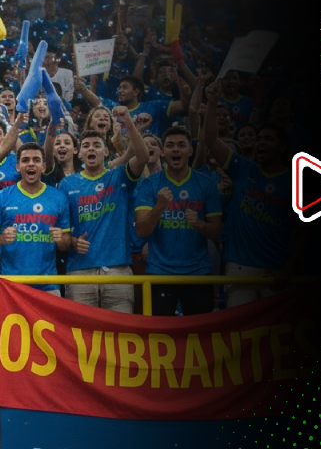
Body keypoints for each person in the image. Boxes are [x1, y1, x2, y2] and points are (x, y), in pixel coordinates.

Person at [199, 96, 305, 307]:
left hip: (276, 268)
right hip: (239, 267)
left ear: (283, 147)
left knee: (275, 336)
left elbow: (305, 229)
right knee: (240, 335)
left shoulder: (296, 181)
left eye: (268, 139)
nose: (260, 143)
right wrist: (212, 102)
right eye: (259, 139)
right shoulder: (242, 168)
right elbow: (210, 139)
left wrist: (290, 267)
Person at [61, 112, 150, 312]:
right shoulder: (67, 184)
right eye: (86, 146)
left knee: (120, 334)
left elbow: (142, 156)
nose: (91, 149)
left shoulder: (119, 177)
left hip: (118, 269)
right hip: (80, 271)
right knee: (82, 335)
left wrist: (128, 122)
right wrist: (74, 242)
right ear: (79, 153)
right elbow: (61, 229)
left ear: (106, 151)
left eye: (96, 145)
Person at [133, 126, 222, 315]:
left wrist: (199, 224)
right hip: (159, 272)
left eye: (181, 145)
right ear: (163, 151)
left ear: (190, 151)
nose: (175, 149)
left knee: (199, 335)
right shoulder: (150, 184)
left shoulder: (206, 184)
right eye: (170, 145)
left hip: (198, 273)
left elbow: (216, 232)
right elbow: (141, 230)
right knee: (159, 335)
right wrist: (159, 206)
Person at [0, 143, 74, 295]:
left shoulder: (58, 197)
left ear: (43, 166)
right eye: (25, 160)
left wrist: (61, 239)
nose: (31, 164)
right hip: (11, 285)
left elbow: (66, 244)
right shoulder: (1, 197)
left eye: (36, 160)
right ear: (17, 166)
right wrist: (1, 239)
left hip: (48, 285)